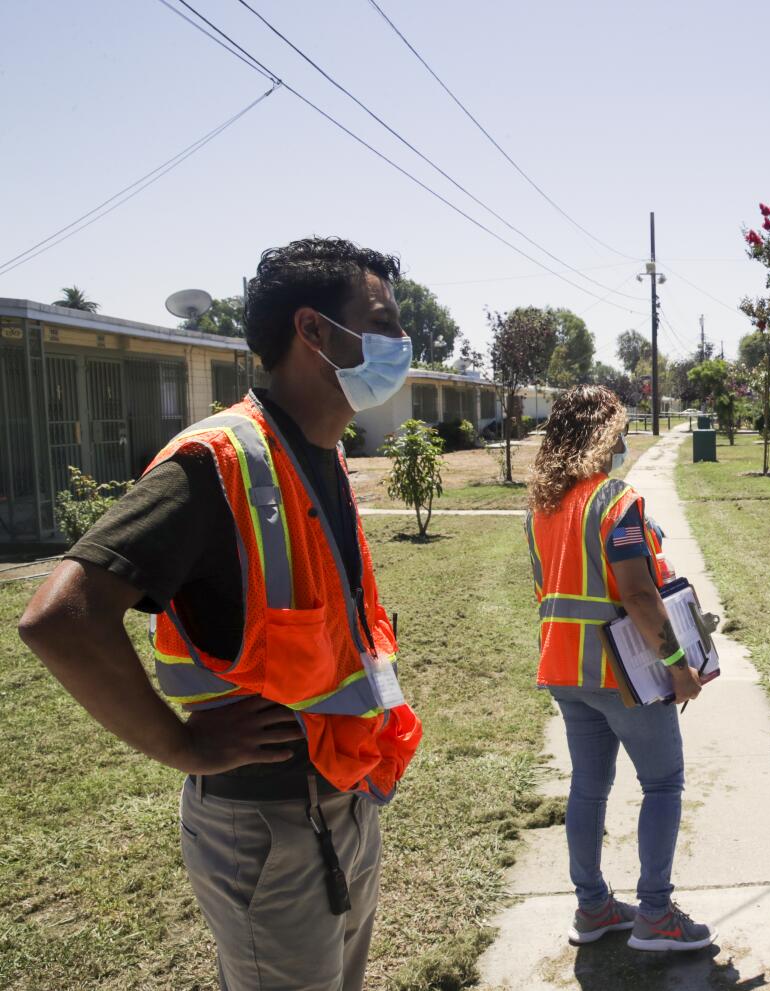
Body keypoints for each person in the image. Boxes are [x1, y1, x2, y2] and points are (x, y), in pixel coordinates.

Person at [18, 237, 423, 990]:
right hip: (267, 828)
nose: (401, 342)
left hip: (345, 801)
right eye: (381, 321)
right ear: (313, 332)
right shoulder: (219, 460)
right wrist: (181, 746)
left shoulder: (320, 455)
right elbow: (59, 617)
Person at [524, 385, 715, 952]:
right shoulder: (615, 500)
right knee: (663, 783)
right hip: (621, 674)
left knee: (588, 788)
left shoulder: (543, 506)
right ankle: (655, 915)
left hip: (562, 668)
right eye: (621, 430)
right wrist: (679, 664)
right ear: (605, 435)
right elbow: (636, 595)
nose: (624, 442)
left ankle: (593, 908)